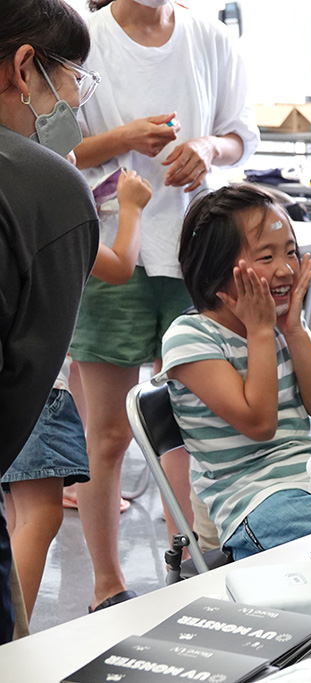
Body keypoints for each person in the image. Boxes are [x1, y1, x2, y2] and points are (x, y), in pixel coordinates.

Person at [69, 0, 259, 612]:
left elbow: (241, 134)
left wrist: (209, 148)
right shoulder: (83, 39)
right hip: (109, 252)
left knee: (195, 424)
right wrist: (122, 138)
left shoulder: (209, 37)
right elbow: (56, 153)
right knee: (107, 434)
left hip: (195, 250)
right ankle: (106, 585)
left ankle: (193, 560)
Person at [161, 184, 311, 561]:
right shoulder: (190, 337)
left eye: (291, 253)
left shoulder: (282, 326)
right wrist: (261, 332)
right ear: (216, 266)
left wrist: (292, 331)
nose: (285, 269)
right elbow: (260, 424)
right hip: (256, 501)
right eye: (266, 257)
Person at [4, 168, 152, 622]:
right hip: (36, 383)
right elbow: (120, 266)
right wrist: (130, 208)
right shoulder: (52, 200)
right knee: (41, 515)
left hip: (14, 379)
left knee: (17, 517)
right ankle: (13, 644)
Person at [0, 0, 101, 642]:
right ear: (24, 67)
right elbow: (23, 383)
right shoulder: (48, 190)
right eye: (71, 79)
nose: (74, 101)